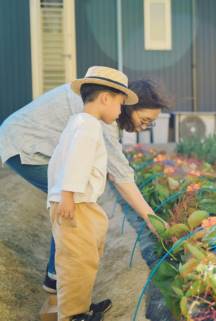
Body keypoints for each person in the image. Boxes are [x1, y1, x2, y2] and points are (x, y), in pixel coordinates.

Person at [0, 69, 169, 299]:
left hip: (22, 140)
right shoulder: (96, 122)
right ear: (121, 103)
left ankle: (57, 279)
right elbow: (120, 176)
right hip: (24, 146)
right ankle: (58, 281)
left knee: (74, 204)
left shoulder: (95, 108)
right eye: (145, 120)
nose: (143, 127)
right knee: (74, 208)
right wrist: (153, 221)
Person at [47, 66, 137, 321]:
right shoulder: (88, 127)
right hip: (76, 204)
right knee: (76, 263)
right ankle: (73, 315)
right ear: (105, 99)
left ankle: (81, 307)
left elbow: (58, 161)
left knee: (85, 260)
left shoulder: (77, 123)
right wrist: (66, 195)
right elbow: (76, 162)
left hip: (78, 202)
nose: (120, 111)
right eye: (120, 105)